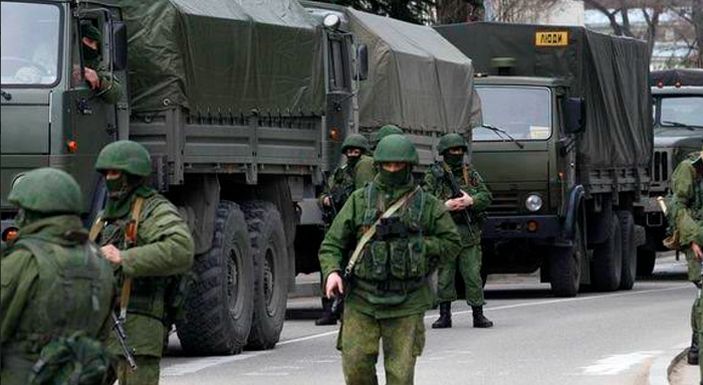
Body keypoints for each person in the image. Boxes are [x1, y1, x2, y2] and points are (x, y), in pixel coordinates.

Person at [318, 134, 462, 384]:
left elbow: (452, 243)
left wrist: (418, 247)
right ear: (378, 166)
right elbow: (332, 243)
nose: (393, 170)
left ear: (409, 166)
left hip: (407, 301)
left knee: (400, 375)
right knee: (355, 368)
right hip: (362, 298)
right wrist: (332, 272)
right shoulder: (359, 200)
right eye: (388, 165)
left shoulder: (426, 205)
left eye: (399, 165)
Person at [92, 140, 194, 385]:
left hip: (137, 327)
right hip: (100, 328)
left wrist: (123, 258)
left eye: (114, 173)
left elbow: (181, 248)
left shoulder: (152, 210)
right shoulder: (106, 216)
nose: (109, 179)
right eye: (105, 173)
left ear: (131, 176)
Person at [1, 168, 115, 385]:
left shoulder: (23, 262)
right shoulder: (99, 262)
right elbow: (102, 337)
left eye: (22, 209)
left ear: (32, 212)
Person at [423, 133, 493, 329]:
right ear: (444, 153)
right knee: (445, 276)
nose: (457, 154)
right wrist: (445, 205)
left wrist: (471, 201)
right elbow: (425, 201)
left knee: (472, 275)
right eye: (453, 151)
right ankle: (445, 314)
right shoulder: (434, 175)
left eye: (460, 150)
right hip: (445, 234)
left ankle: (478, 313)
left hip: (468, 233)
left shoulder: (469, 173)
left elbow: (486, 195)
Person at [316, 134, 375, 325]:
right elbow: (324, 194)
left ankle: (350, 308)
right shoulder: (339, 174)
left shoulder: (368, 169)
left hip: (357, 226)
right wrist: (325, 200)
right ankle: (329, 308)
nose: (352, 154)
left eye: (356, 151)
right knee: (331, 265)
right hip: (338, 224)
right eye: (349, 151)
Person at [669, 147, 703, 367]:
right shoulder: (689, 169)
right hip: (697, 238)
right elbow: (678, 207)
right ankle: (697, 345)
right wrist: (693, 239)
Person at [77, 22, 122, 103]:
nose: (93, 47)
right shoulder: (56, 56)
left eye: (96, 44)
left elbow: (116, 92)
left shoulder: (96, 62)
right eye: (90, 41)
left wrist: (99, 80)